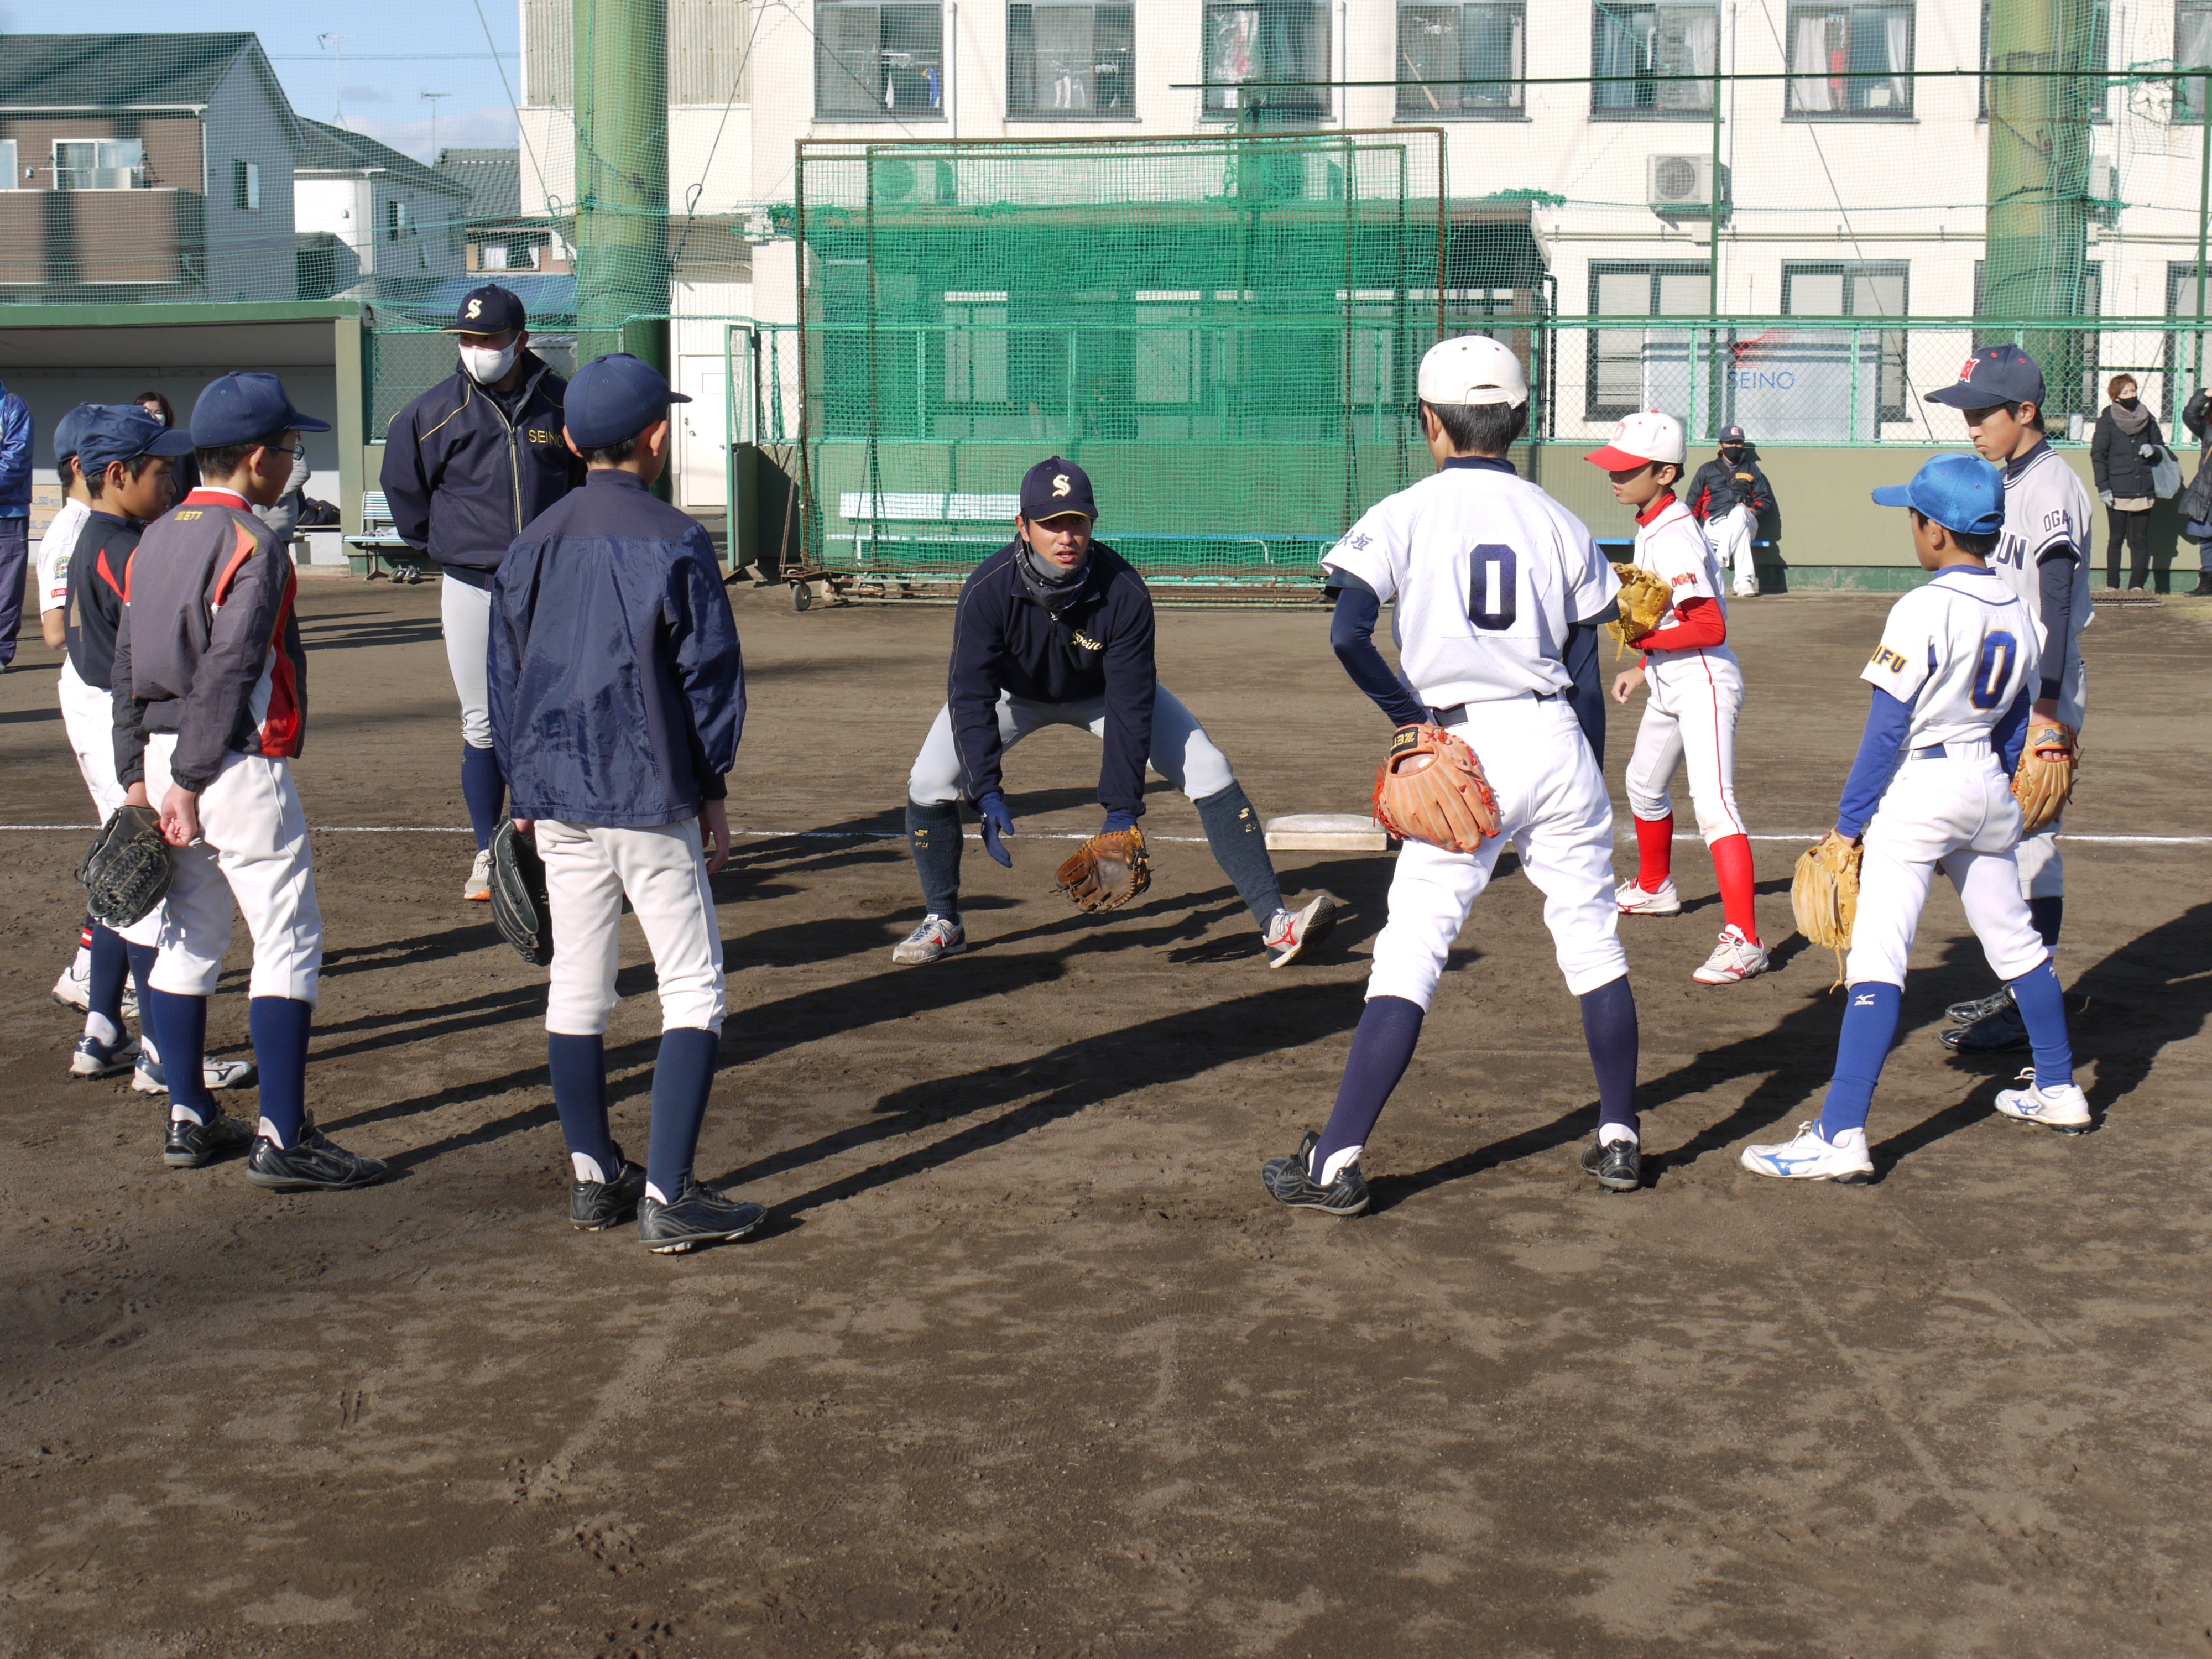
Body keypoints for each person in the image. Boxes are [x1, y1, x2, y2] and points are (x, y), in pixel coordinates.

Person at [1260, 336, 1646, 1211]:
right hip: (1556, 738)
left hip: (1465, 746)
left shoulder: (1405, 511)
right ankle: (1619, 1136)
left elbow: (1347, 633)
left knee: (1412, 951)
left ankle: (1336, 1163)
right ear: (1519, 420)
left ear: (1429, 424)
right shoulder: (1561, 520)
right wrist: (1582, 772)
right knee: (1592, 941)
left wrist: (1411, 721)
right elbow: (1586, 666)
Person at [1741, 455, 2089, 1182]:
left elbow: (1887, 729)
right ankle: (2058, 1087)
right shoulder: (2016, 607)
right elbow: (2017, 722)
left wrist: (1848, 823)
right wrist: (1987, 795)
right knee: (2016, 942)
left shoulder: (1924, 607)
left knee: (1878, 955)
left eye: (1913, 517)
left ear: (1934, 531)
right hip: (1989, 788)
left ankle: (1840, 1135)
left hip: (1922, 788)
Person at [488, 353, 763, 1254]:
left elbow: (507, 676)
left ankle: (594, 1176)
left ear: (568, 440)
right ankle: (672, 1194)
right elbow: (708, 679)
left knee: (579, 982)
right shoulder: (676, 537)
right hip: (649, 793)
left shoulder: (532, 541)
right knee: (692, 986)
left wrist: (522, 787)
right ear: (655, 438)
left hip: (558, 792)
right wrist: (712, 783)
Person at [894, 456, 1337, 970]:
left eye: (1076, 522)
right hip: (1010, 696)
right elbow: (969, 695)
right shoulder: (987, 590)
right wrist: (986, 788)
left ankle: (1276, 924)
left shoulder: (1123, 591)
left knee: (1211, 769)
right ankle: (944, 921)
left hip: (1102, 694)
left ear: (1092, 524)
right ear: (1022, 527)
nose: (1066, 536)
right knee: (928, 782)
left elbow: (1129, 704)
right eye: (1051, 524)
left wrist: (1121, 811)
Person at [112, 373, 385, 1189]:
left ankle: (189, 1114)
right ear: (260, 459)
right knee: (288, 938)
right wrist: (193, 780)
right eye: (293, 450)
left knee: (188, 936)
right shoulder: (253, 544)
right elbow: (230, 668)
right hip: (228, 764)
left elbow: (126, 666)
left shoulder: (157, 534)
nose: (295, 463)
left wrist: (140, 779)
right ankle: (284, 1135)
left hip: (166, 761)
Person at [60, 407, 257, 1098]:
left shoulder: (98, 535)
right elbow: (151, 653)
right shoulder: (122, 548)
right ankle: (156, 1055)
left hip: (99, 714)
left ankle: (101, 1030)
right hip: (128, 728)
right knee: (152, 894)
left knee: (127, 881)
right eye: (158, 471)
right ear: (116, 475)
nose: (172, 483)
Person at [382, 284, 585, 903]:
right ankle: (487, 852)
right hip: (472, 585)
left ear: (521, 341)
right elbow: (407, 501)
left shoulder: (563, 405)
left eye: (490, 340)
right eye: (467, 340)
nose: (477, 350)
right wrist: (451, 547)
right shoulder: (430, 413)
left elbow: (588, 483)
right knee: (483, 725)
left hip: (552, 586)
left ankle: (557, 847)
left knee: (557, 718)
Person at [1923, 346, 2093, 1055]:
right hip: (2014, 692)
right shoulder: (2012, 480)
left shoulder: (2052, 487)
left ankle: (2030, 1000)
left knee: (2029, 844)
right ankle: (2024, 987)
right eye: (1964, 415)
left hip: (2041, 693)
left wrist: (2047, 712)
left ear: (2025, 412)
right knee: (2009, 840)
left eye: (1981, 414)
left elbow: (2055, 603)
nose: (1970, 428)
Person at [1590, 410, 1767, 985]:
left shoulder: (1675, 534)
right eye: (1613, 465)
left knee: (1714, 805)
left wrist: (1647, 640)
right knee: (1642, 783)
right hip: (1671, 676)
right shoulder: (1652, 519)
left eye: (1627, 468)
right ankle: (1653, 887)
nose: (1614, 477)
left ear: (1664, 473)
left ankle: (1744, 940)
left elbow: (1710, 626)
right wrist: (1644, 667)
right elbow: (1672, 618)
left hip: (1704, 680)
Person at [40, 405, 103, 1014]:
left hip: (105, 690)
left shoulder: (95, 522)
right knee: (130, 841)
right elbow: (57, 632)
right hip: (91, 692)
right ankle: (92, 974)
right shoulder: (72, 530)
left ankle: (93, 970)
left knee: (131, 838)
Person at [2089, 373, 2163, 592]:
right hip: (2116, 488)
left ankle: (2137, 585)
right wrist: (2103, 487)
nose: (2131, 396)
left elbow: (2161, 446)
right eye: (2125, 393)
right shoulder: (2107, 421)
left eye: (2134, 391)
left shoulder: (2147, 418)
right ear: (2116, 396)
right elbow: (2099, 455)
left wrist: (2155, 450)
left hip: (2143, 487)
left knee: (2140, 540)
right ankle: (2112, 585)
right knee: (2116, 539)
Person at [1686, 423, 1773, 599]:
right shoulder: (1707, 469)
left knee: (1740, 514)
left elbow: (1764, 501)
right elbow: (1693, 502)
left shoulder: (1752, 469)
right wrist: (1690, 531)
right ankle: (1745, 583)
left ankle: (1720, 560)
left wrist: (1752, 511)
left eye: (1738, 443)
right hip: (1715, 523)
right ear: (1721, 445)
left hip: (1747, 518)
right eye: (1730, 442)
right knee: (1742, 535)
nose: (1734, 446)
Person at [0, 375, 32, 671]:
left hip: (8, 515)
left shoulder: (12, 407)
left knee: (7, 588)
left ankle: (1, 651)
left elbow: (15, 460)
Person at [133, 391, 199, 499]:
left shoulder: (183, 445)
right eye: (148, 412)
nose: (154, 416)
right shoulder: (132, 448)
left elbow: (194, 483)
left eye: (158, 412)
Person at [2182, 385, 2212, 598]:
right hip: (2208, 489)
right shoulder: (2207, 426)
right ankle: (2208, 584)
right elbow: (2190, 415)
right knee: (2207, 539)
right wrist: (2206, 394)